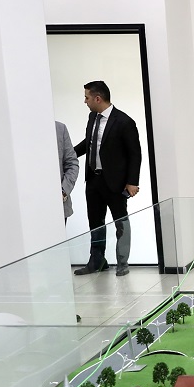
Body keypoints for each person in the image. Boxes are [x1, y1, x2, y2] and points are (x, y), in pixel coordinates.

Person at [73, 81, 142, 276]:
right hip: (93, 180)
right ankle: (97, 261)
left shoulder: (124, 122)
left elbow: (135, 154)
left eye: (86, 97)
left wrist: (132, 182)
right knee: (95, 222)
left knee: (121, 222)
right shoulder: (92, 117)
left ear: (98, 98)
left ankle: (122, 263)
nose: (85, 101)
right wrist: (69, 154)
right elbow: (89, 143)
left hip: (115, 182)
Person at [55, 120, 79, 223]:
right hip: (27, 205)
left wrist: (63, 192)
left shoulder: (60, 128)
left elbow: (72, 163)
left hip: (58, 206)